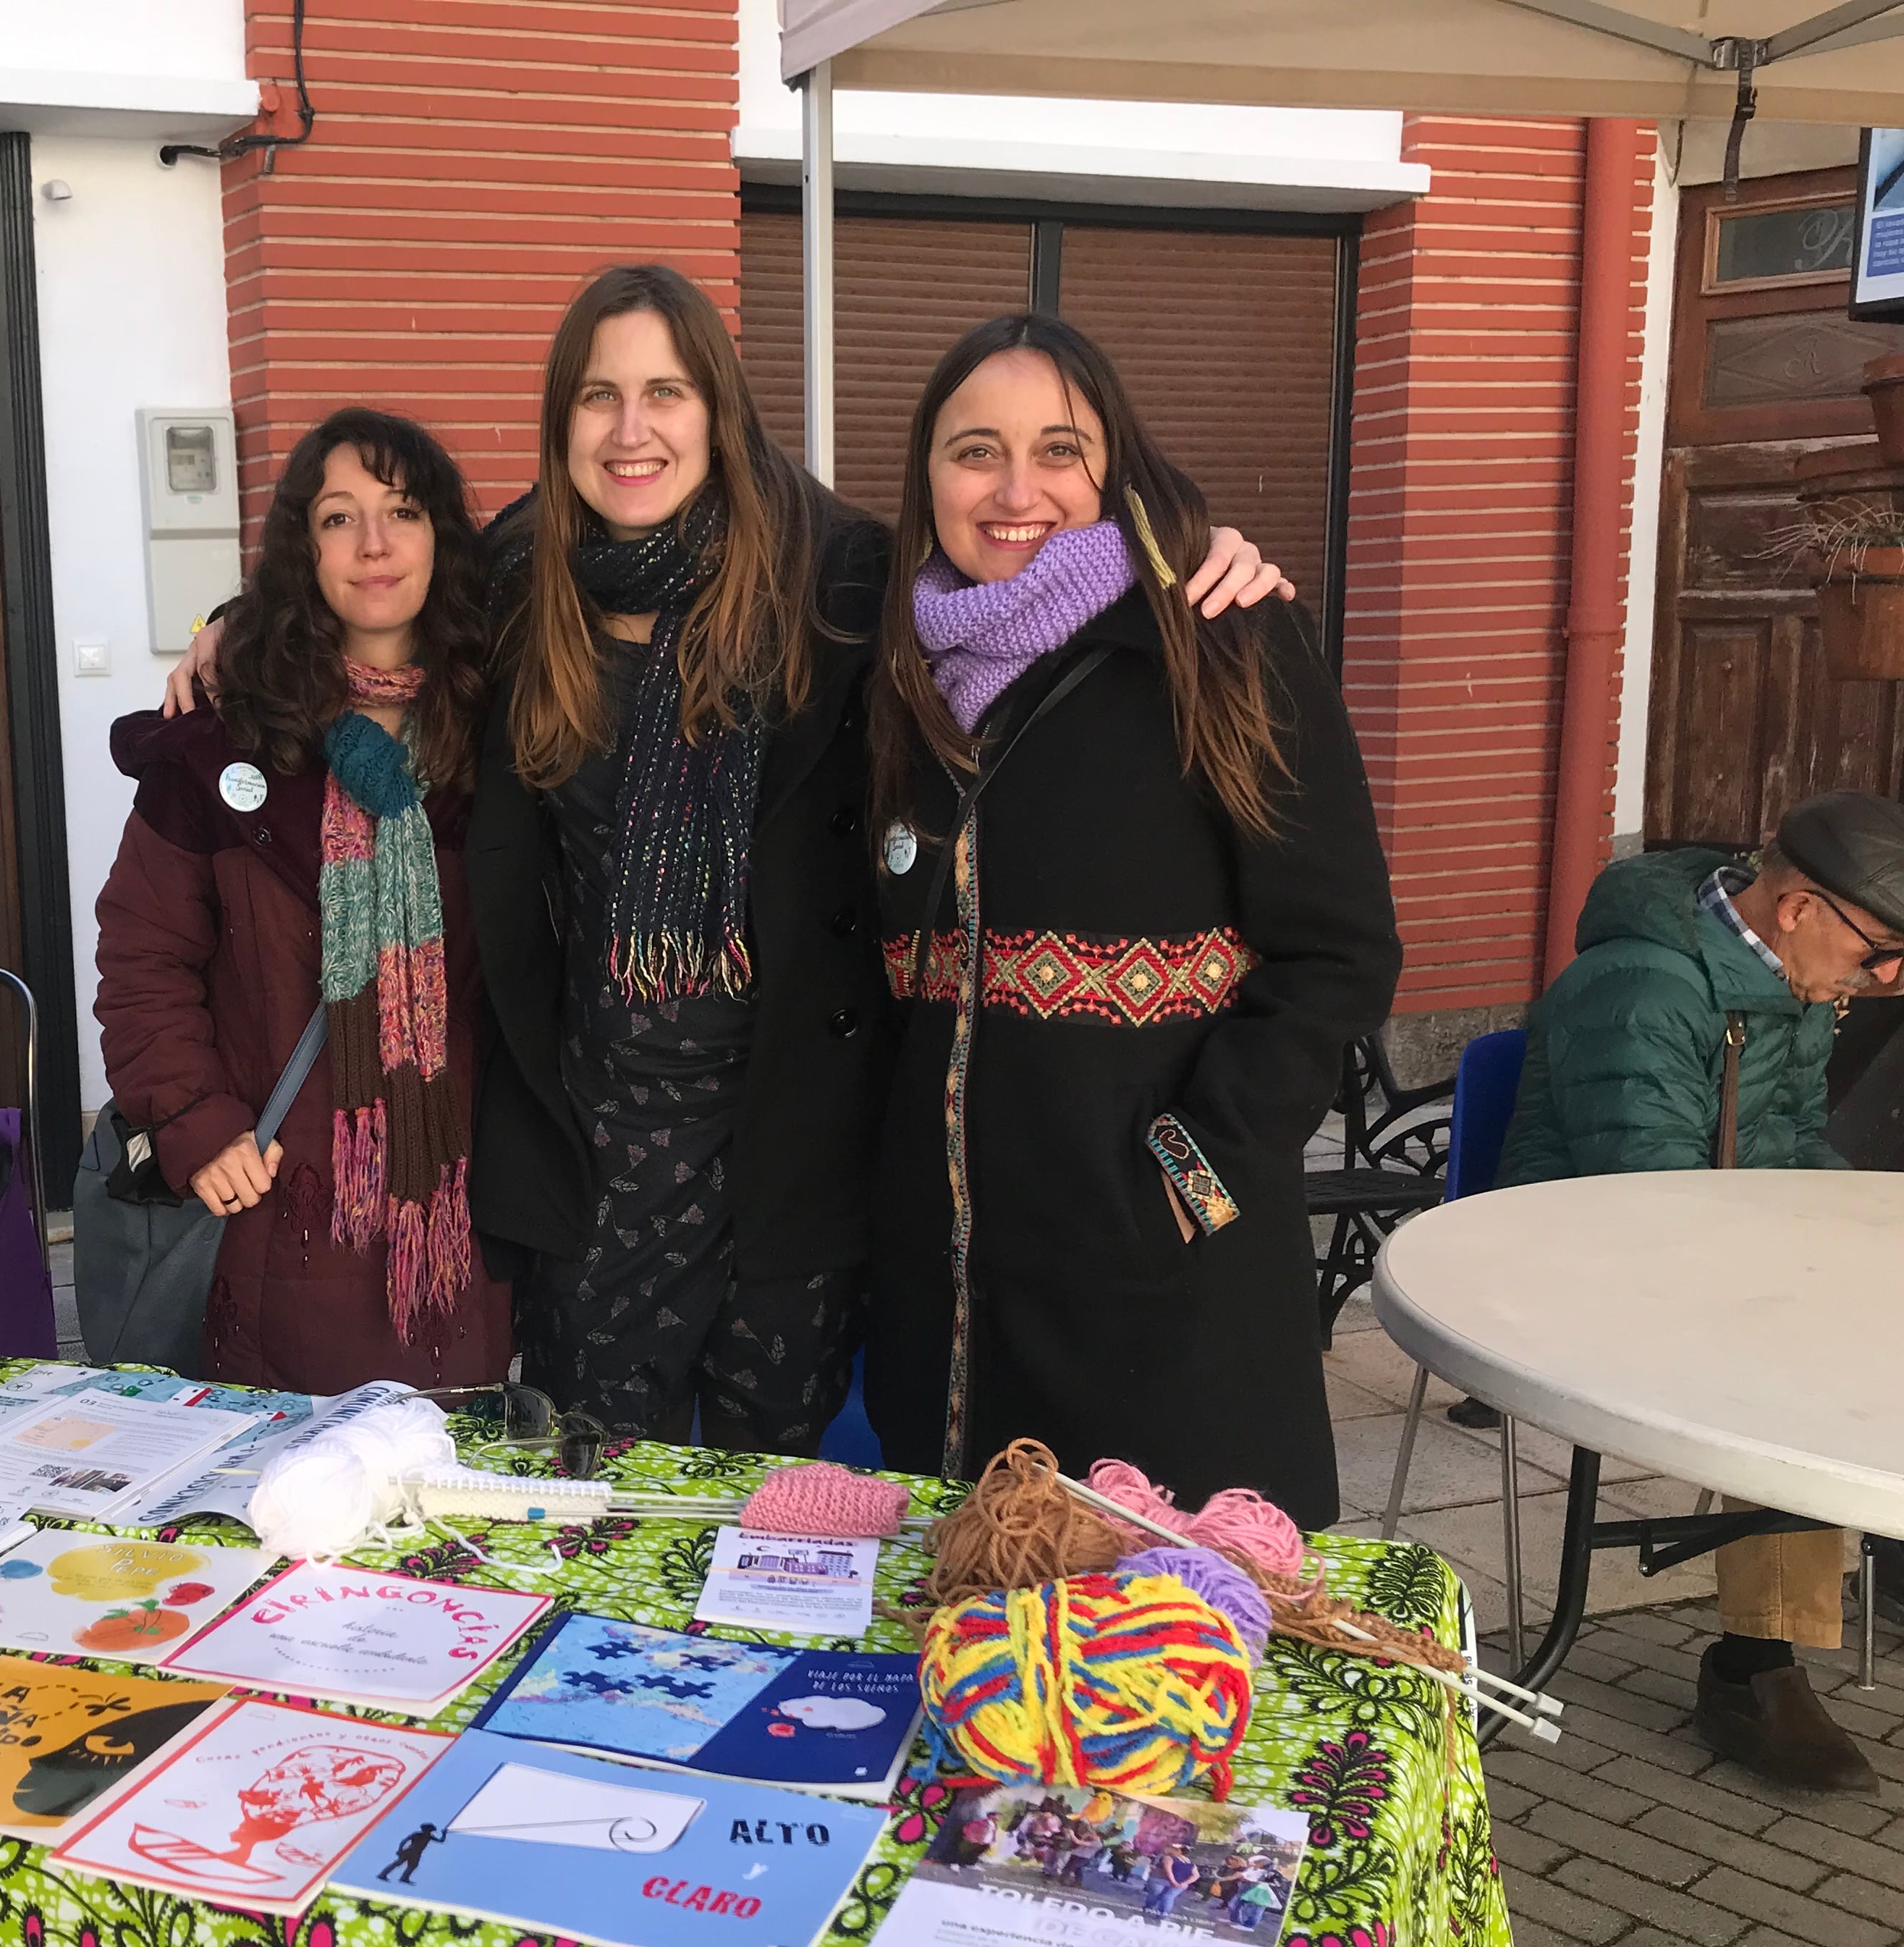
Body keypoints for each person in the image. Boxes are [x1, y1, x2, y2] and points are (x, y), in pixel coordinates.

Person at [165, 273, 1288, 1451]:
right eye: (600, 395)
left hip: (788, 1144)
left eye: (667, 390)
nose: (631, 428)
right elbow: (369, 594)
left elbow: (1014, 569)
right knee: (586, 1496)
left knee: (768, 1512)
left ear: (720, 408)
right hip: (590, 1143)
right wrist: (235, 623)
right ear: (562, 419)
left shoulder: (838, 574)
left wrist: (1184, 540)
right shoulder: (519, 575)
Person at [862, 313, 1400, 1521]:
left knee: (1165, 1669)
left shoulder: (1220, 641)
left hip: (1163, 1299)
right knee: (975, 1671)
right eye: (974, 452)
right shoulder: (900, 677)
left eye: (1060, 449)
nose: (1016, 490)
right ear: (926, 477)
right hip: (951, 1311)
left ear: (1116, 468)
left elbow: (1340, 948)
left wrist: (1189, 1169)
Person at [1496, 790, 1904, 1790]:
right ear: (1796, 909)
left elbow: (1790, 1151)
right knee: (1814, 1363)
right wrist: (1806, 1274)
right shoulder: (1642, 989)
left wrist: (1873, 1235)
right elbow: (1648, 1199)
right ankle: (1756, 1665)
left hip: (1708, 1250)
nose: (1888, 980)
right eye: (1882, 952)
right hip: (1569, 1264)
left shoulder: (1784, 978)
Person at [94, 408, 514, 1393]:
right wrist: (194, 1119)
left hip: (466, 1225)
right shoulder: (223, 742)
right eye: (338, 517)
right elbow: (142, 952)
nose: (374, 544)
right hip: (280, 1212)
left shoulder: (508, 730)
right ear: (300, 547)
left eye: (402, 511)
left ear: (442, 538)